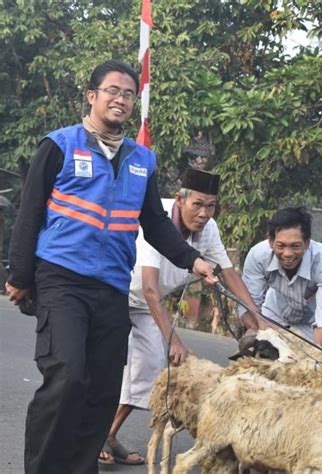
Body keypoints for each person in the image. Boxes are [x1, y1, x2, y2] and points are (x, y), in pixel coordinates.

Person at [5, 60, 218, 474]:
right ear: (92, 96)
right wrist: (19, 275)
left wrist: (193, 261)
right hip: (62, 277)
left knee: (101, 390)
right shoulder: (60, 145)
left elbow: (154, 222)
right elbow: (29, 212)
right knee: (66, 376)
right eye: (112, 91)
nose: (120, 99)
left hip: (111, 287)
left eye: (127, 94)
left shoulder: (142, 161)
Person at [100, 167, 264, 464]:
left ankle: (107, 435)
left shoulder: (208, 228)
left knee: (150, 368)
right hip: (115, 294)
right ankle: (87, 437)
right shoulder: (156, 218)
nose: (204, 213)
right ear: (179, 200)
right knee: (106, 367)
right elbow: (149, 287)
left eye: (211, 206)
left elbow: (228, 273)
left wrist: (256, 316)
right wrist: (174, 339)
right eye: (197, 204)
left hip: (149, 303)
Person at [239, 206, 322, 346]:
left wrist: (312, 352)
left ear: (307, 243)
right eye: (280, 246)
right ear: (270, 241)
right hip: (272, 319)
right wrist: (259, 329)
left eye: (295, 246)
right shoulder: (258, 256)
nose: (287, 254)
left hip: (312, 326)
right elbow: (248, 303)